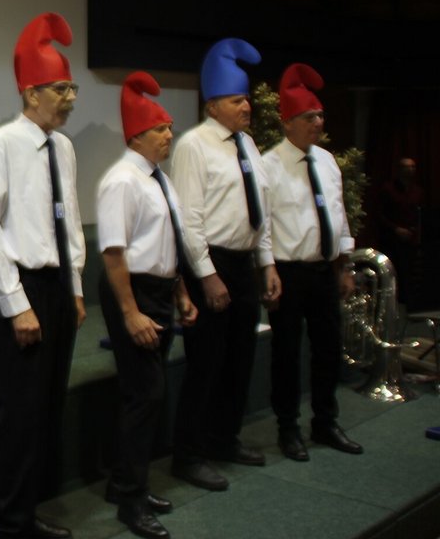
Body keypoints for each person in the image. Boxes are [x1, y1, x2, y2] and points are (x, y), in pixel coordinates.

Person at [0, 13, 86, 539]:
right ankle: (10, 525)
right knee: (20, 415)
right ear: (31, 92)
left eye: (72, 88)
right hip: (21, 287)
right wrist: (16, 304)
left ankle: (28, 514)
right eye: (61, 89)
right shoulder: (2, 143)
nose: (70, 98)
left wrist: (75, 288)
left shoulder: (64, 147)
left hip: (58, 287)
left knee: (47, 410)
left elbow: (71, 220)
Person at [169, 38, 281, 492]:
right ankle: (188, 455)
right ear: (213, 105)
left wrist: (267, 263)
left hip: (243, 262)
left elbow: (261, 210)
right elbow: (189, 219)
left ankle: (223, 439)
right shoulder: (194, 146)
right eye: (237, 101)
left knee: (239, 359)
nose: (247, 107)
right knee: (206, 365)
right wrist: (208, 275)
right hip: (210, 264)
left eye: (247, 99)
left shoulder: (248, 144)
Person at [96, 72, 198, 539]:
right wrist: (131, 312)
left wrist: (180, 293)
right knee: (145, 394)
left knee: (147, 393)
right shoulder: (122, 181)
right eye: (161, 129)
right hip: (132, 291)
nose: (169, 135)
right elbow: (114, 253)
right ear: (137, 134)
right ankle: (131, 501)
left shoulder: (159, 180)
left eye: (170, 128)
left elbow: (168, 242)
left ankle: (124, 483)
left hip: (160, 290)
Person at [262, 63, 363, 461]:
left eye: (320, 116)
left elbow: (339, 215)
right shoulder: (269, 166)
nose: (318, 123)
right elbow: (262, 226)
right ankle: (287, 427)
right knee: (286, 353)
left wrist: (345, 266)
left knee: (328, 349)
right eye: (309, 117)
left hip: (323, 270)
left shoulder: (326, 160)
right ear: (288, 122)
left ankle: (325, 421)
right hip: (289, 272)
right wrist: (268, 270)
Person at [377, 157, 424, 308]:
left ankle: (407, 306)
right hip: (391, 240)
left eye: (413, 167)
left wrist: (413, 230)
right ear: (399, 170)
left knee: (409, 275)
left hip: (410, 240)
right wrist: (396, 229)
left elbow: (419, 214)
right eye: (406, 167)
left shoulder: (417, 191)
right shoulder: (388, 189)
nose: (410, 170)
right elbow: (380, 214)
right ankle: (389, 306)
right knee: (392, 273)